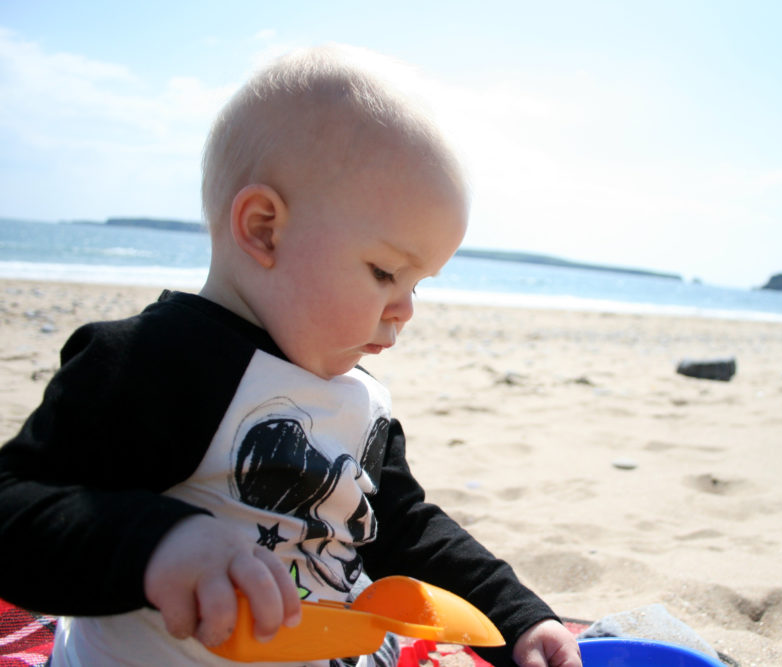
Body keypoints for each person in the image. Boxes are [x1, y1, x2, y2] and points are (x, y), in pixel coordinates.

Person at [0, 45, 581, 667]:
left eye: (417, 283)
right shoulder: (159, 362)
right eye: (385, 271)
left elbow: (402, 527)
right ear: (263, 229)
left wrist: (517, 618)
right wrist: (158, 544)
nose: (406, 307)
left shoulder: (357, 399)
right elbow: (16, 511)